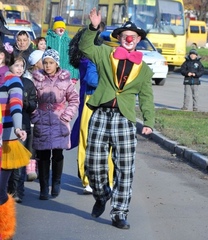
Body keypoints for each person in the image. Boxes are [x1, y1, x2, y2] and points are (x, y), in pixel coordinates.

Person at [78, 8, 155, 229]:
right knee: (92, 162)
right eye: (125, 36)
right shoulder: (104, 54)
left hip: (125, 119)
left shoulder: (144, 70)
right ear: (119, 38)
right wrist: (93, 27)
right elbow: (85, 47)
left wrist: (149, 121)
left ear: (138, 39)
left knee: (125, 167)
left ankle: (119, 212)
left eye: (133, 36)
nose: (129, 39)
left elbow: (147, 97)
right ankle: (102, 194)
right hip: (101, 114)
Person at [69, 25, 113, 194]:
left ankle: (108, 178)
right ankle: (88, 178)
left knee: (108, 143)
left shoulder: (118, 59)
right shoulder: (93, 58)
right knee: (86, 139)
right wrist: (110, 81)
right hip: (91, 99)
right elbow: (91, 79)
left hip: (110, 102)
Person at [31, 49, 79, 200]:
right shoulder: (36, 79)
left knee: (58, 154)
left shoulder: (65, 80)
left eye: (51, 63)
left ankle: (56, 182)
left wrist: (67, 116)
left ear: (57, 64)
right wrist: (35, 116)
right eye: (45, 63)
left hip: (60, 121)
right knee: (43, 155)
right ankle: (43, 187)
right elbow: (30, 100)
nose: (47, 66)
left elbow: (74, 100)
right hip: (42, 121)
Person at [0, 43, 31, 240]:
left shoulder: (12, 80)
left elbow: (17, 104)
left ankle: (5, 231)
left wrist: (19, 127)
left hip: (7, 142)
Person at [7, 55, 37, 203]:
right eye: (16, 65)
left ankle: (18, 190)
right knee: (7, 159)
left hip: (23, 124)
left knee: (19, 160)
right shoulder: (5, 80)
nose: (19, 68)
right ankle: (7, 189)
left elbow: (33, 105)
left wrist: (25, 102)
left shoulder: (28, 83)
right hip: (7, 123)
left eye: (21, 66)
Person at [45, 16, 79, 83]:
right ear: (54, 29)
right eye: (59, 27)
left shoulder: (69, 41)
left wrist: (74, 76)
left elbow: (74, 58)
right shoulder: (47, 39)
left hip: (65, 74)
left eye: (63, 27)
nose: (61, 29)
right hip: (51, 74)